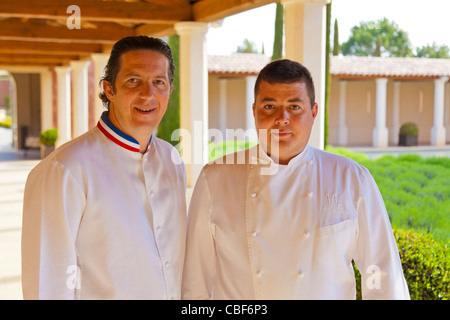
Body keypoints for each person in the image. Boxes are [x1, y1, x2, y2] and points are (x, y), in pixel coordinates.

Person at [182, 59, 410, 300]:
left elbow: (380, 271)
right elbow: (196, 281)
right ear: (254, 111)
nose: (282, 118)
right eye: (269, 107)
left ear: (313, 112)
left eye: (294, 107)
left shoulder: (352, 179)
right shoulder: (216, 178)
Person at [22, 36, 187, 300]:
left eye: (159, 82)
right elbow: (48, 279)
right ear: (109, 89)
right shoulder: (64, 169)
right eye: (133, 81)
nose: (148, 93)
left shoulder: (172, 159)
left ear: (170, 90)